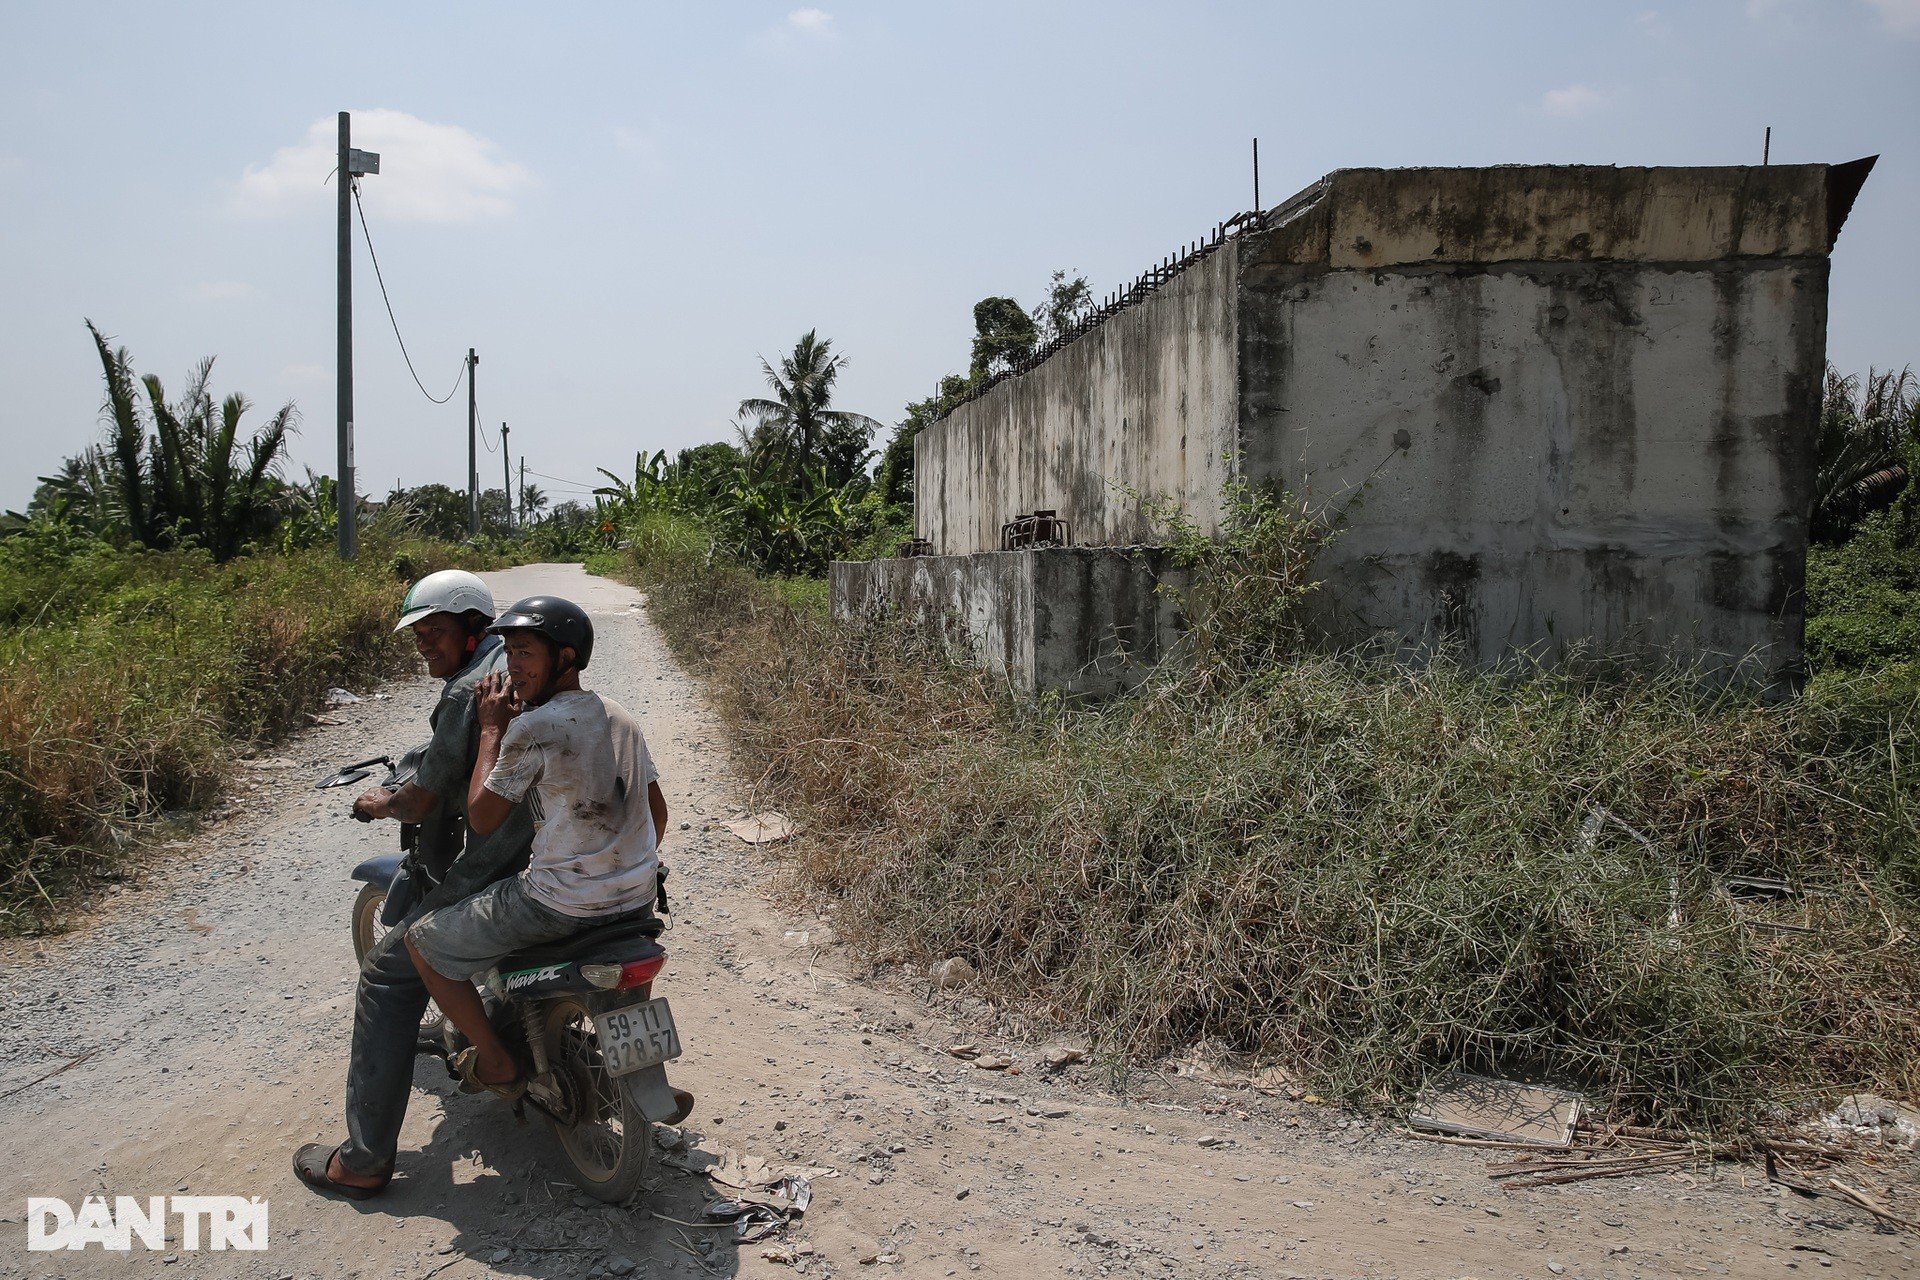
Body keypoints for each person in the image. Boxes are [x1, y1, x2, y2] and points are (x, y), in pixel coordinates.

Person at [294, 571, 536, 1201]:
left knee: (385, 974)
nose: (426, 645)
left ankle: (365, 1160)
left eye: (436, 633)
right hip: (556, 858)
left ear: (473, 630)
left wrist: (383, 802)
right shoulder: (520, 667)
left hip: (493, 869)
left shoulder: (467, 692)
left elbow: (426, 796)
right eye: (419, 636)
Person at [400, 597, 679, 1109]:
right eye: (507, 651)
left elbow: (482, 817)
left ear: (566, 658)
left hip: (558, 905)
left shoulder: (533, 727)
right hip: (636, 899)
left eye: (525, 652)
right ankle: (638, 1068)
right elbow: (656, 813)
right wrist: (619, 865)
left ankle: (495, 1058)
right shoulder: (621, 719)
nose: (512, 666)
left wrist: (489, 730)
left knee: (423, 943)